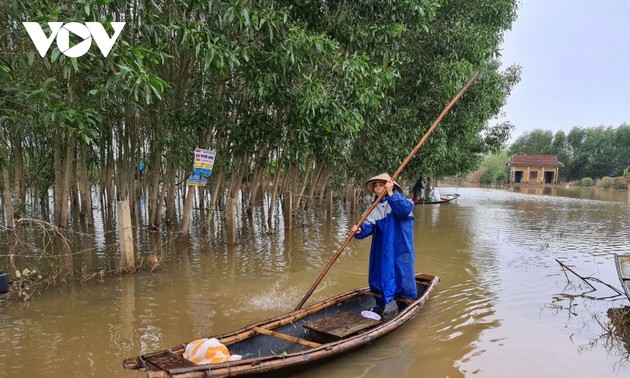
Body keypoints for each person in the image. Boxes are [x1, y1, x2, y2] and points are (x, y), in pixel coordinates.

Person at [351, 173, 417, 316]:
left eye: (381, 185)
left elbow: (404, 211)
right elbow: (368, 226)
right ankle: (379, 307)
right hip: (382, 249)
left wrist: (391, 193)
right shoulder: (374, 208)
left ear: (390, 186)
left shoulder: (403, 201)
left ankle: (403, 307)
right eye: (376, 186)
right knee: (379, 274)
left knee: (401, 275)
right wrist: (359, 229)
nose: (378, 188)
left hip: (400, 248)